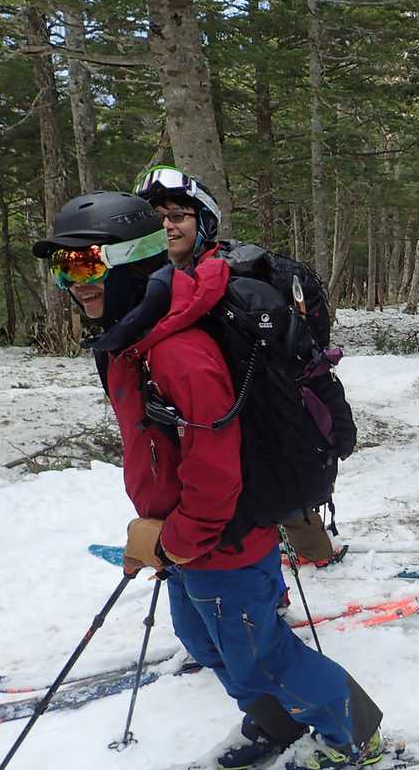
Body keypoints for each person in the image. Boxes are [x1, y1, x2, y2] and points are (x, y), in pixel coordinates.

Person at [32, 190, 382, 770]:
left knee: (260, 655)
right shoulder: (131, 337)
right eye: (64, 268)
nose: (76, 283)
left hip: (224, 538)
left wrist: (175, 539)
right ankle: (277, 721)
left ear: (132, 260)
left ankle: (356, 734)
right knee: (203, 640)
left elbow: (216, 472)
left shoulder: (180, 353)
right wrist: (159, 531)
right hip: (183, 538)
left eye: (87, 264)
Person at [133, 165, 348, 569]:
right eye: (157, 218)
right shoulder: (165, 284)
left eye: (177, 216)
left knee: (263, 492)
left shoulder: (230, 285)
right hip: (211, 426)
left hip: (252, 425)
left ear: (203, 222)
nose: (166, 226)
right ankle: (307, 552)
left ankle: (308, 557)